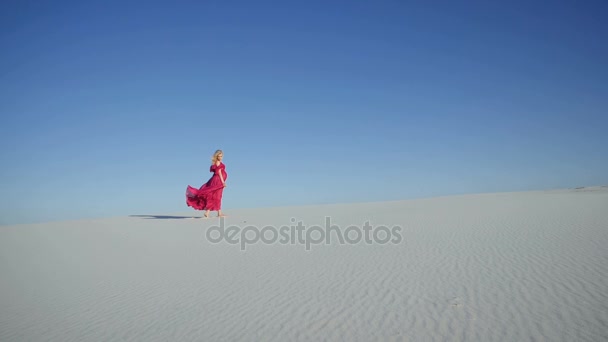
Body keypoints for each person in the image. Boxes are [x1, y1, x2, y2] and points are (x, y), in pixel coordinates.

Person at [186, 149, 228, 218]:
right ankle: (217, 213)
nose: (220, 157)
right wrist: (223, 182)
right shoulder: (218, 163)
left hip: (216, 180)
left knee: (215, 196)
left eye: (221, 156)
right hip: (218, 181)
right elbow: (219, 173)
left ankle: (210, 212)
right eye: (219, 156)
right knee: (217, 196)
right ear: (217, 156)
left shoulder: (218, 162)